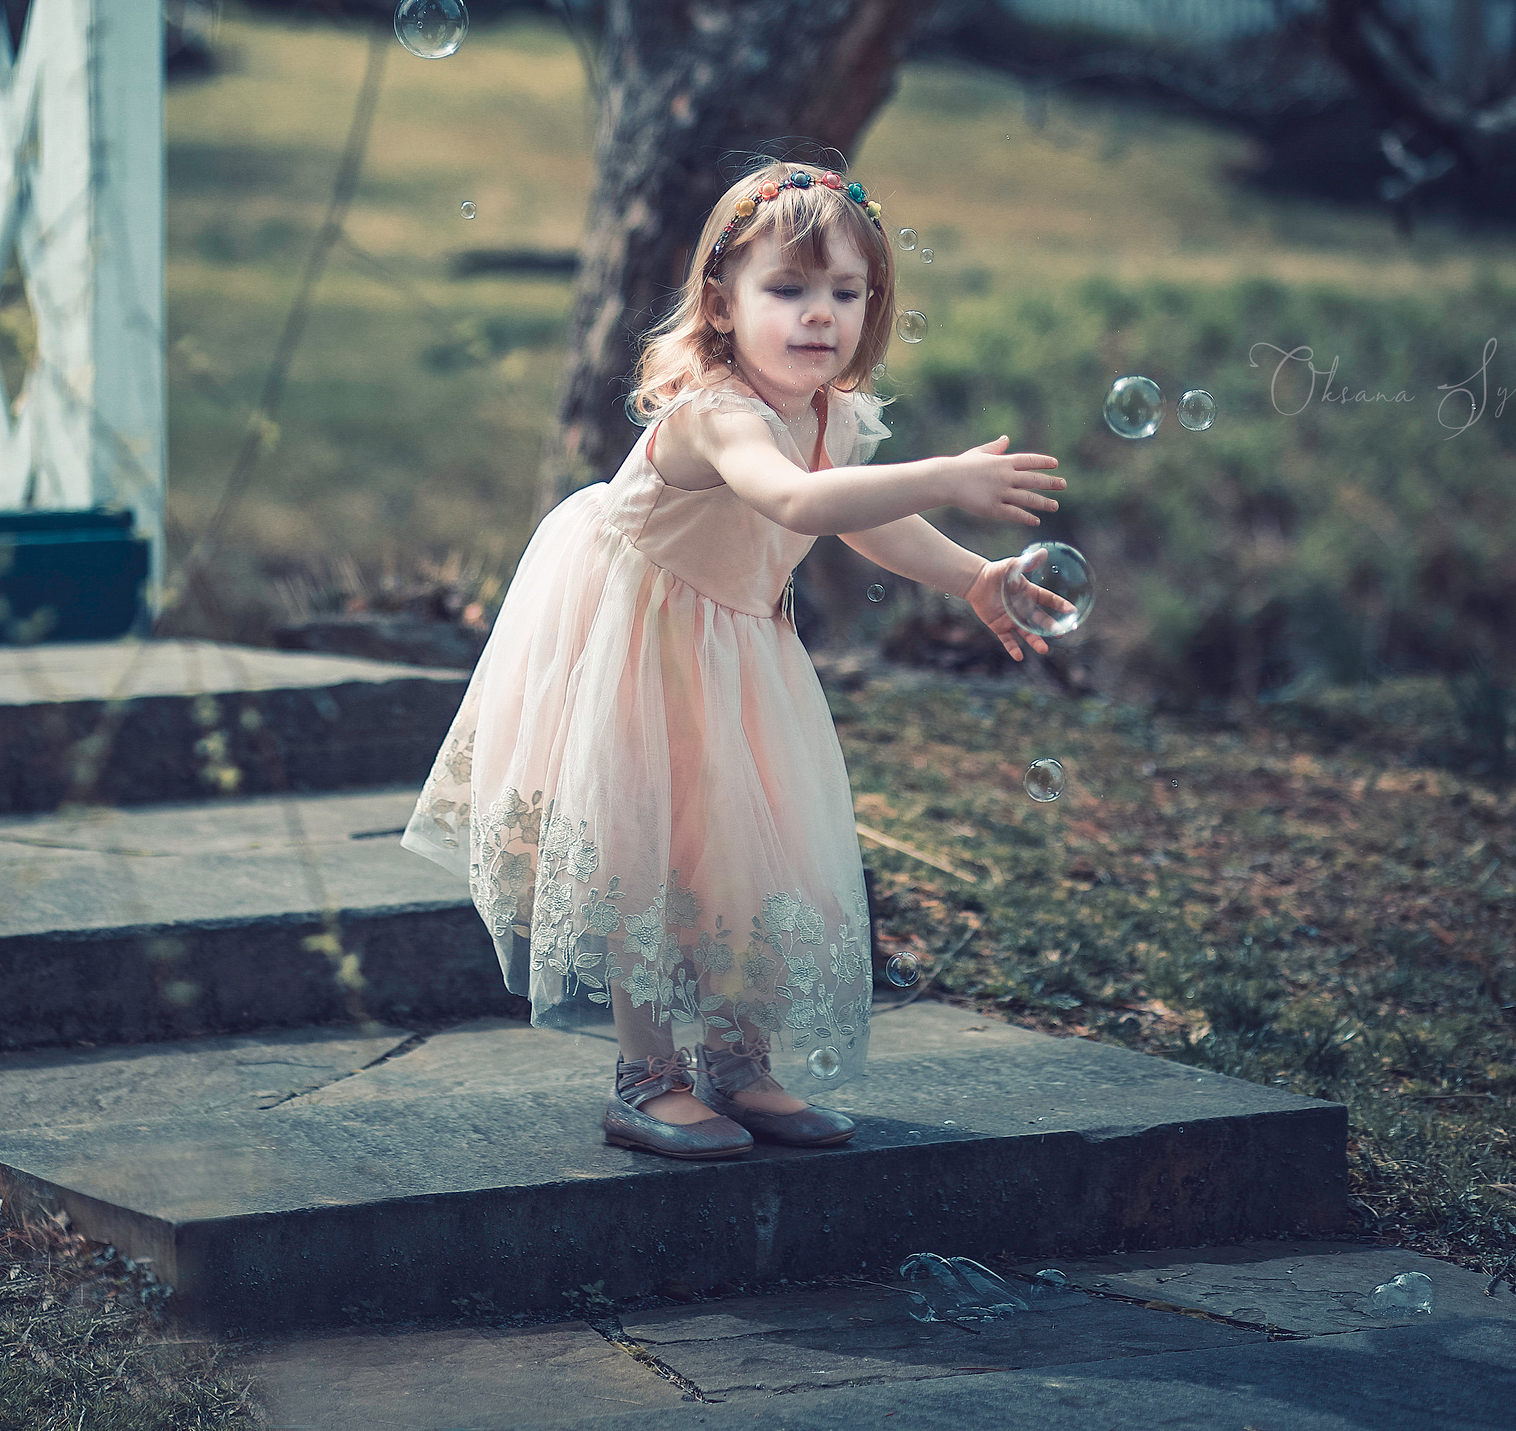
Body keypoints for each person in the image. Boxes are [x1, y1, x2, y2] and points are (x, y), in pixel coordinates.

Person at [400, 159, 1068, 1160]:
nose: (819, 317)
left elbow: (867, 524)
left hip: (739, 644)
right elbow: (794, 503)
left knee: (741, 859)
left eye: (845, 293)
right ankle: (645, 1078)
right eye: (787, 290)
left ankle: (738, 1065)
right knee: (650, 849)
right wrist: (946, 472)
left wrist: (970, 574)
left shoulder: (829, 412)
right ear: (720, 299)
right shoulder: (713, 412)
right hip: (641, 641)